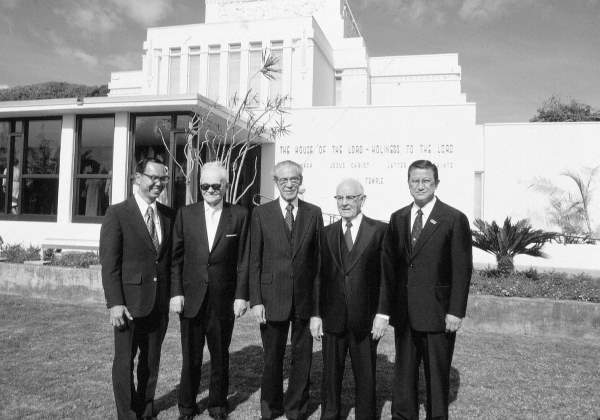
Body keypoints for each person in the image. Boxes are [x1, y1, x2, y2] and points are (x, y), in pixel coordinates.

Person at [380, 160, 472, 420]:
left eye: (426, 181)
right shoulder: (397, 218)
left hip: (438, 314)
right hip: (405, 315)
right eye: (415, 181)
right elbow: (390, 269)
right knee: (404, 374)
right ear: (408, 183)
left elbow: (462, 269)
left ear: (436, 184)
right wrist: (386, 311)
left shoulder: (454, 218)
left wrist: (455, 311)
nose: (420, 186)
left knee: (436, 376)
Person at [170, 162, 250, 420]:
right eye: (205, 186)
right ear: (200, 187)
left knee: (220, 356)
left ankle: (217, 404)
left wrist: (241, 295)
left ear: (225, 186)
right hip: (191, 298)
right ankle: (186, 406)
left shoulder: (239, 215)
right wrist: (176, 292)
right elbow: (176, 258)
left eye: (216, 185)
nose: (211, 190)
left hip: (222, 300)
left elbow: (244, 260)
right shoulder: (185, 214)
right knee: (190, 358)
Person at [100, 158, 175, 420]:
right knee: (124, 362)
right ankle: (127, 413)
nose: (158, 183)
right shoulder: (118, 213)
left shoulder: (168, 215)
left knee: (151, 362)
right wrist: (114, 303)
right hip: (128, 305)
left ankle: (145, 407)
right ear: (137, 177)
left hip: (159, 303)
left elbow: (170, 260)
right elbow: (109, 263)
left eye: (163, 179)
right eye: (153, 177)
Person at [249, 160, 323, 420]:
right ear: (276, 183)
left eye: (294, 179)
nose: (289, 184)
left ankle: (296, 408)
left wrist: (317, 308)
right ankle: (270, 407)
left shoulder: (314, 213)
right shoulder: (261, 213)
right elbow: (254, 260)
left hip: (303, 299)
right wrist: (256, 300)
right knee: (272, 358)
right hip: (271, 298)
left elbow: (317, 264)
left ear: (300, 181)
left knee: (302, 360)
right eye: (284, 180)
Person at [310, 178, 388, 420]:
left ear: (362, 200)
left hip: (365, 319)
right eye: (340, 198)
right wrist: (316, 314)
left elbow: (387, 277)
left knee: (366, 375)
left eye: (350, 198)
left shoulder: (380, 231)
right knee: (330, 374)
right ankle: (330, 415)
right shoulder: (326, 233)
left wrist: (382, 314)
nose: (345, 203)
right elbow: (318, 276)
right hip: (332, 317)